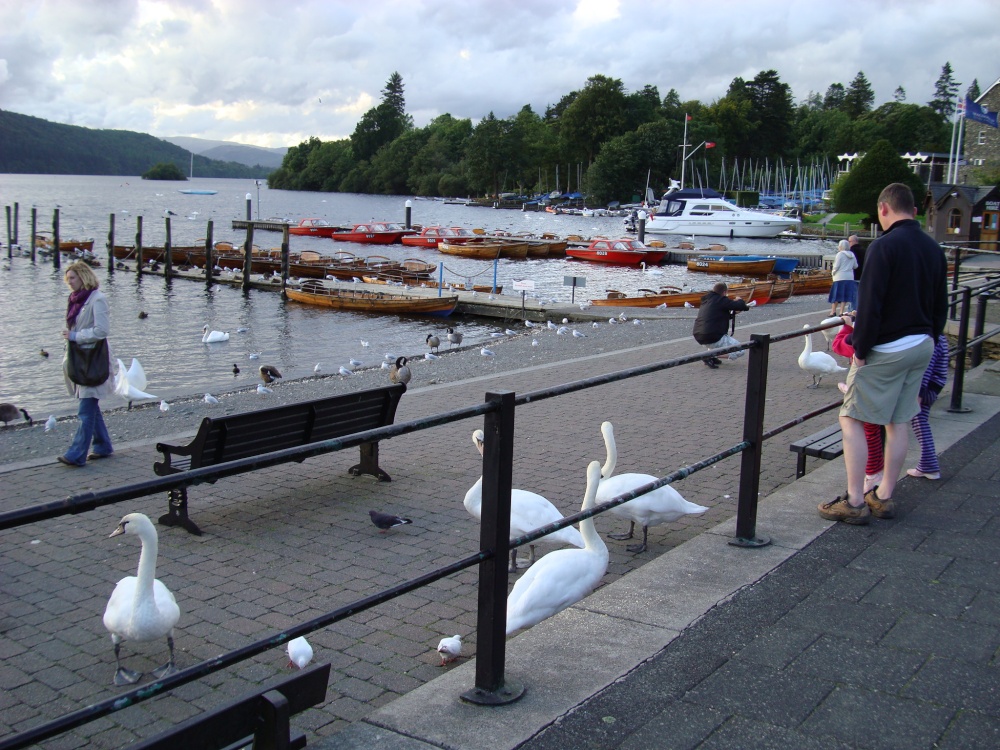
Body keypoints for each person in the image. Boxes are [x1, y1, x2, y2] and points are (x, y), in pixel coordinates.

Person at [818, 183, 948, 525]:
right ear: (915, 212)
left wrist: (860, 349)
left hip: (889, 346)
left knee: (851, 417)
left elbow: (871, 304)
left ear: (883, 210)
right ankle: (885, 495)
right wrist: (931, 337)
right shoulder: (934, 249)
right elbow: (940, 305)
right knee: (899, 419)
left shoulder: (883, 248)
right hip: (922, 343)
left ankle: (855, 501)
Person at [59, 261, 115, 466]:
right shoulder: (75, 300)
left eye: (72, 277)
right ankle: (102, 445)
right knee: (90, 404)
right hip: (79, 357)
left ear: (83, 276)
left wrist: (75, 336)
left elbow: (102, 331)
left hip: (93, 359)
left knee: (85, 408)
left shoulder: (97, 299)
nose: (69, 282)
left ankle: (76, 454)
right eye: (67, 278)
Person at [907, 334, 950, 480]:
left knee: (919, 422)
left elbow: (926, 368)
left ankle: (930, 465)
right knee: (920, 421)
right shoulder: (938, 336)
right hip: (933, 386)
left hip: (926, 389)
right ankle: (928, 464)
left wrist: (918, 395)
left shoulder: (932, 338)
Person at [692, 282, 752, 369]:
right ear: (724, 292)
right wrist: (740, 300)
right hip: (713, 336)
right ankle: (709, 356)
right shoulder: (721, 300)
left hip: (699, 336)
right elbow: (740, 305)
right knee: (741, 350)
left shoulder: (706, 300)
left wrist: (735, 312)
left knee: (715, 344)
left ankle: (712, 356)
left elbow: (720, 316)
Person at [828, 239, 858, 316]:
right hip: (849, 277)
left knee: (836, 295)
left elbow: (836, 266)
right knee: (844, 295)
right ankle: (841, 311)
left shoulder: (840, 254)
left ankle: (833, 311)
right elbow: (855, 266)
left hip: (839, 277)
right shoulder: (852, 254)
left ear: (841, 247)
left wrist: (833, 272)